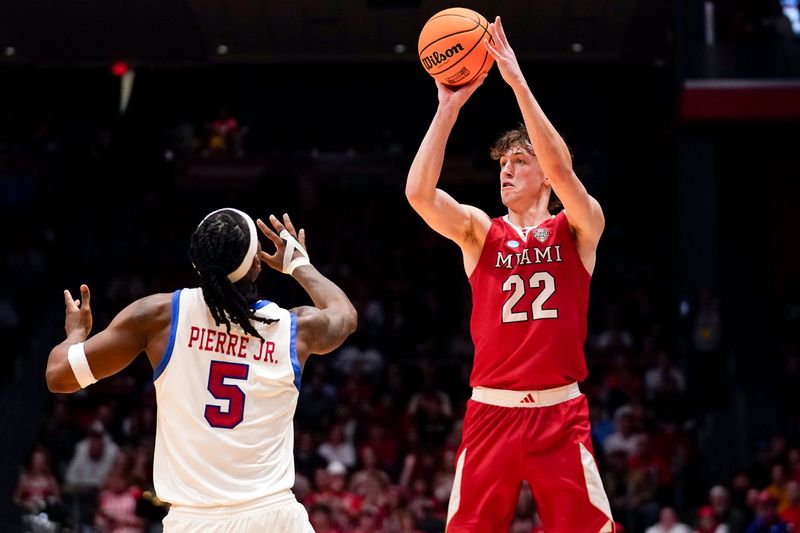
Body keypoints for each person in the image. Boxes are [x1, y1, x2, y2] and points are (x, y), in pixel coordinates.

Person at [405, 16, 612, 532]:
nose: (506, 170)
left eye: (519, 161)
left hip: (559, 416)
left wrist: (516, 80)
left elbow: (563, 171)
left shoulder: (578, 226)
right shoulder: (480, 231)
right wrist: (447, 109)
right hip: (491, 413)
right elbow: (418, 194)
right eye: (502, 163)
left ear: (542, 171)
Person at [45, 209, 357, 532]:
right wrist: (299, 265)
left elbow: (58, 376)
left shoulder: (159, 318)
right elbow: (345, 316)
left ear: (197, 263)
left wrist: (76, 334)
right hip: (275, 518)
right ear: (257, 264)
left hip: (194, 523)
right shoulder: (294, 329)